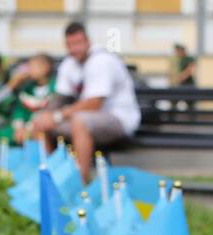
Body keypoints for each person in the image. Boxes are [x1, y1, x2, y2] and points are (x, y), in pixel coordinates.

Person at [30, 22, 141, 183]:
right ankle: (51, 180)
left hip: (118, 119)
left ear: (88, 41)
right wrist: (42, 118)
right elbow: (59, 98)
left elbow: (94, 104)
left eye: (78, 43)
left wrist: (57, 116)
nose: (74, 48)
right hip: (85, 119)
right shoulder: (69, 64)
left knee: (80, 122)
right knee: (41, 121)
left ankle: (80, 183)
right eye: (69, 44)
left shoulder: (102, 60)